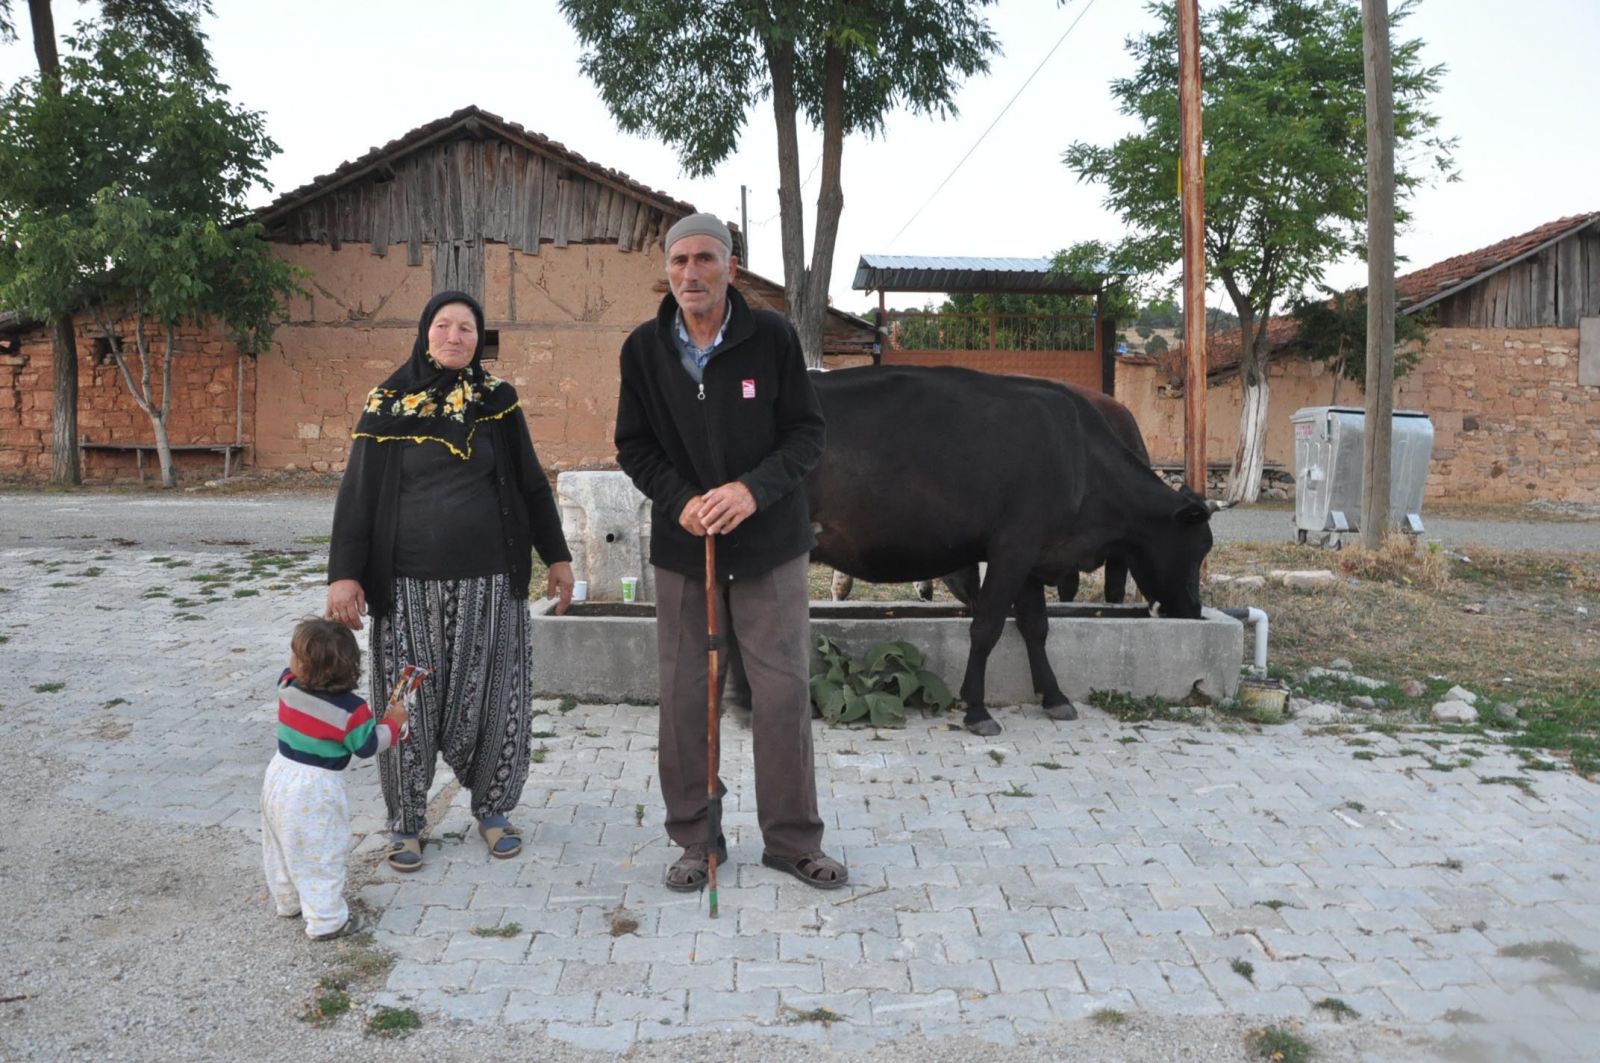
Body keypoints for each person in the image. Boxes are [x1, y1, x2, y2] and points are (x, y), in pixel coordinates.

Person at [614, 212, 847, 891]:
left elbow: (807, 433)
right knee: (687, 696)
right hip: (687, 551)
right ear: (666, 269)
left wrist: (752, 490)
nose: (692, 273)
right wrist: (681, 498)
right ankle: (696, 839)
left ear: (731, 268)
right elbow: (635, 445)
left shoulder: (770, 337)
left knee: (780, 692)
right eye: (680, 260)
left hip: (770, 544)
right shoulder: (643, 349)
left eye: (706, 260)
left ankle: (792, 839)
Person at [325, 290, 574, 873]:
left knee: (495, 698)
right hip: (407, 585)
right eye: (444, 325)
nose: (455, 336)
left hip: (491, 583)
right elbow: (357, 495)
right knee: (405, 702)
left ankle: (493, 812)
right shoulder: (387, 402)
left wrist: (557, 557)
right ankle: (407, 823)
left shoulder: (498, 403)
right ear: (425, 333)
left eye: (467, 328)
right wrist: (344, 575)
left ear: (479, 340)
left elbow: (532, 485)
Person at [262, 617, 407, 940]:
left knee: (281, 842)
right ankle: (327, 920)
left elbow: (289, 673)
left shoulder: (286, 686)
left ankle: (287, 900)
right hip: (315, 787)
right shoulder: (352, 710)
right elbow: (367, 745)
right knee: (319, 851)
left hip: (278, 775)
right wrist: (393, 724)